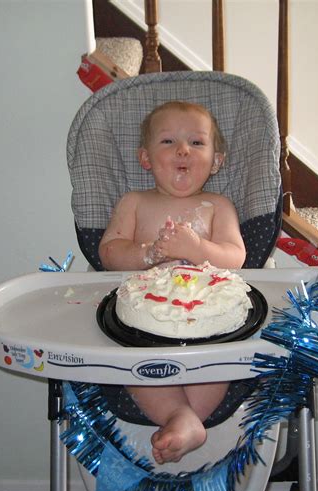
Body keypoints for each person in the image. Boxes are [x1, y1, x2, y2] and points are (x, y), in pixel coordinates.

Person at [99, 101, 246, 464]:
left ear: (216, 161)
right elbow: (109, 253)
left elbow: (235, 256)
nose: (183, 150)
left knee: (219, 358)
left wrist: (197, 249)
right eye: (168, 142)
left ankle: (183, 417)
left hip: (207, 322)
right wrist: (147, 255)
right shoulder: (134, 203)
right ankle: (181, 417)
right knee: (131, 357)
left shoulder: (217, 206)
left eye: (196, 143)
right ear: (146, 158)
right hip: (143, 325)